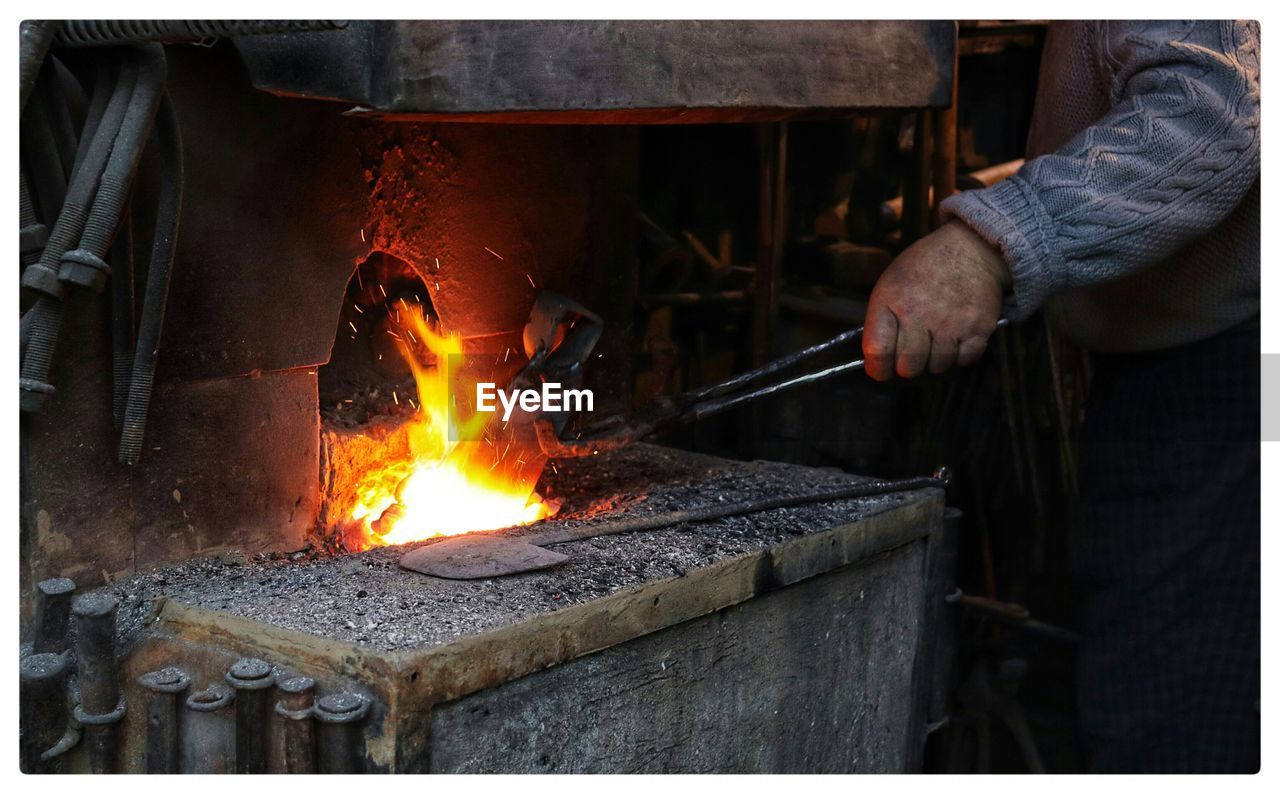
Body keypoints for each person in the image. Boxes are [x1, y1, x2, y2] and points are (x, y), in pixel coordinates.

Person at [863, 21, 1260, 772]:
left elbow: (1210, 116)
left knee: (1170, 709)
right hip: (1197, 361)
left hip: (1223, 374)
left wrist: (988, 242)